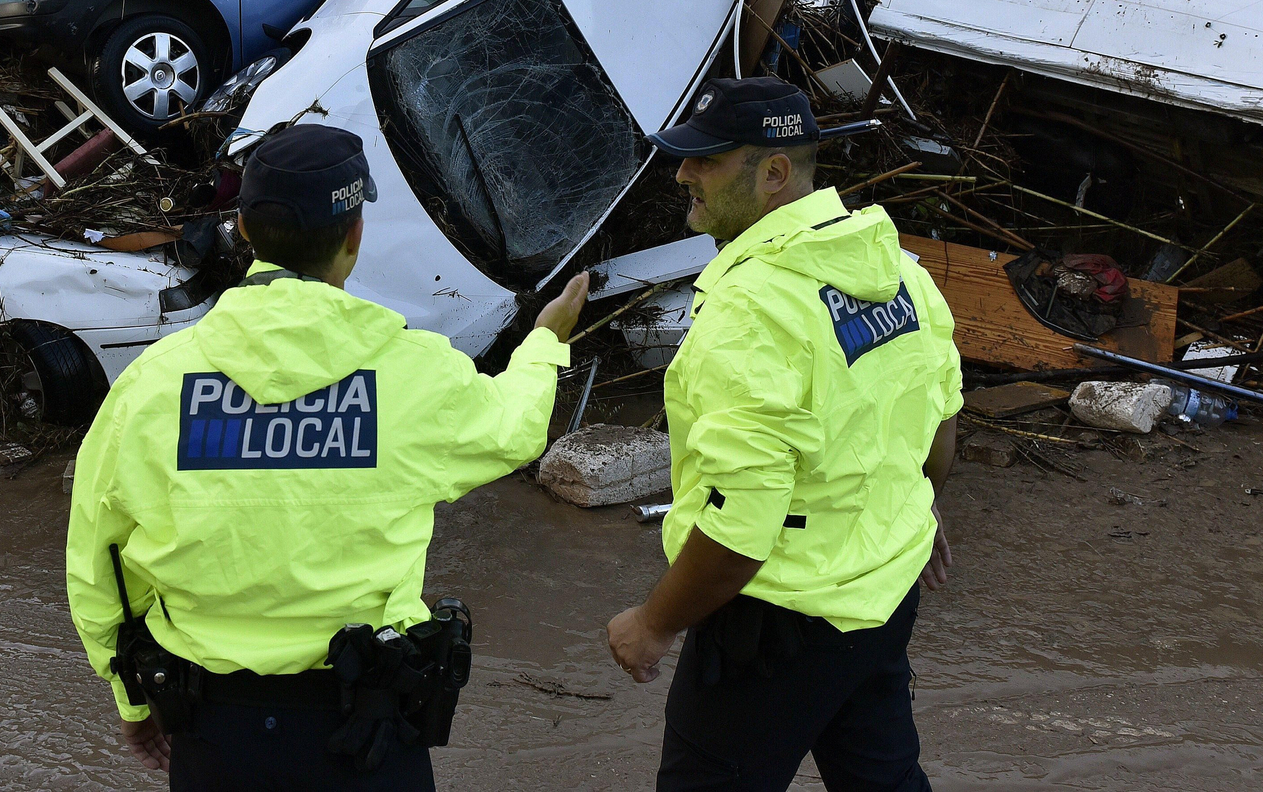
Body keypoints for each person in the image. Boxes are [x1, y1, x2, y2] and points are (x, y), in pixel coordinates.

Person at [66, 123, 589, 790]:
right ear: (354, 234)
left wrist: (135, 697)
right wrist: (543, 343)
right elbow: (515, 428)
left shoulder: (152, 384)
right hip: (366, 735)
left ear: (245, 231)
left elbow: (98, 559)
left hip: (213, 735)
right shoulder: (411, 372)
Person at [605, 76, 961, 792]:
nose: (683, 175)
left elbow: (742, 524)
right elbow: (937, 425)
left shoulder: (751, 312)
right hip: (880, 599)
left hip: (773, 630)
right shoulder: (898, 273)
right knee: (884, 779)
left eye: (704, 160)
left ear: (772, 173)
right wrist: (908, 509)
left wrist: (654, 620)